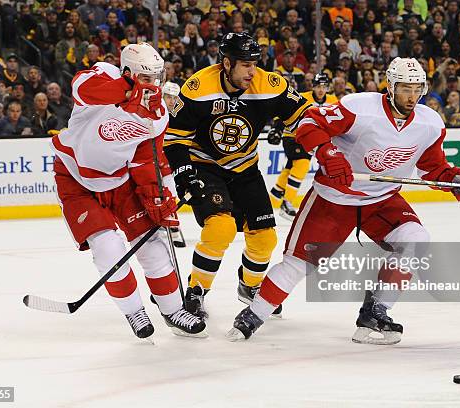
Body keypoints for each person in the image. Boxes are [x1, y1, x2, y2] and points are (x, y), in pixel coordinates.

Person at [227, 57, 460, 344]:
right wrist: (328, 153)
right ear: (390, 86)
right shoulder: (361, 108)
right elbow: (309, 123)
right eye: (404, 89)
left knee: (416, 240)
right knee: (299, 264)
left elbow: (432, 166)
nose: (411, 97)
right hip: (334, 200)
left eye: (417, 89)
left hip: (382, 201)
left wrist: (453, 179)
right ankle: (253, 314)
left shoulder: (430, 123)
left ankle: (375, 313)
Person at [51, 43, 206, 340]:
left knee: (154, 248)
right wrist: (127, 91)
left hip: (120, 181)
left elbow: (146, 159)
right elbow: (82, 88)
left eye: (157, 78)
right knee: (108, 249)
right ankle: (134, 311)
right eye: (145, 78)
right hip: (75, 178)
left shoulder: (157, 113)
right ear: (127, 72)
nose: (153, 86)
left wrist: (160, 197)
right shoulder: (103, 76)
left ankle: (173, 310)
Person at [164, 32, 311, 319]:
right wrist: (184, 174)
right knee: (220, 229)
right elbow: (175, 139)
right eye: (245, 65)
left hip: (245, 168)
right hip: (206, 167)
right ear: (227, 63)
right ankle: (196, 290)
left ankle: (250, 285)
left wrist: (325, 143)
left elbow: (304, 115)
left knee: (266, 238)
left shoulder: (269, 84)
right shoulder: (197, 87)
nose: (252, 71)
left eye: (255, 64)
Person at [268, 73, 338, 221]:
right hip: (292, 136)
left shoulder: (333, 101)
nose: (321, 90)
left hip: (310, 139)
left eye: (324, 87)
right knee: (302, 164)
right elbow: (286, 112)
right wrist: (277, 129)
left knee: (289, 168)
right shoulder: (302, 97)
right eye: (318, 86)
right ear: (313, 86)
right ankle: (287, 203)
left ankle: (273, 198)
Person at [161, 80, 187, 249]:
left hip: (170, 164)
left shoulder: (182, 118)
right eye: (168, 97)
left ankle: (173, 225)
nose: (171, 101)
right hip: (154, 161)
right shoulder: (154, 114)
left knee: (170, 192)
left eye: (174, 98)